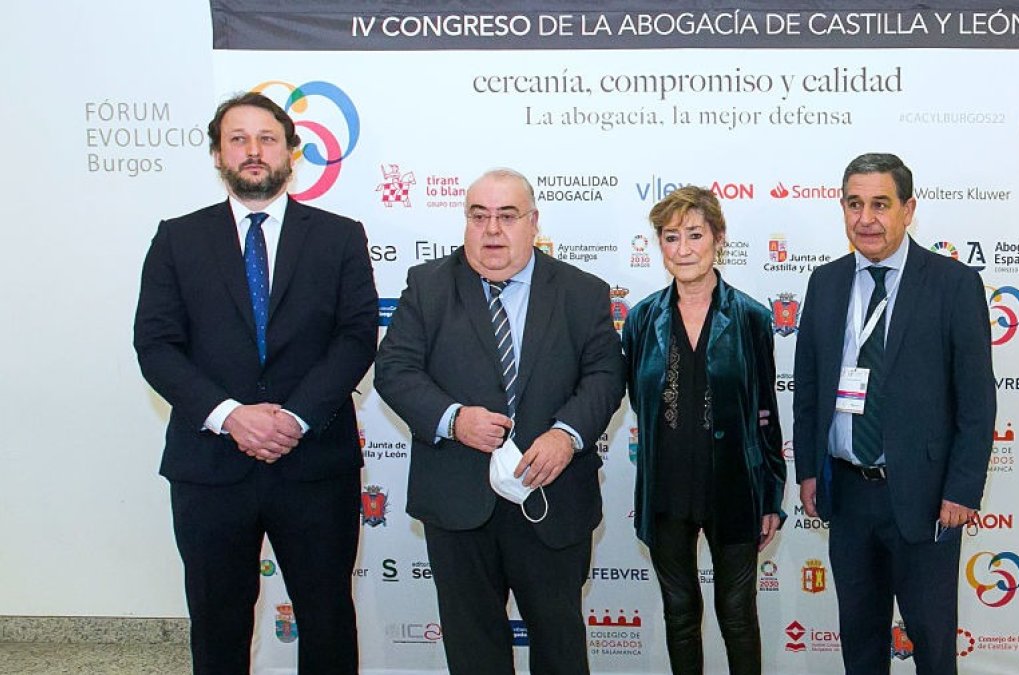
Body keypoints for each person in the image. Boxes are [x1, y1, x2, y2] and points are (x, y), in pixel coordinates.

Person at [133, 92, 378, 675]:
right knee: (218, 625)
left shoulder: (341, 237)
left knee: (326, 618)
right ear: (218, 153)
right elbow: (156, 347)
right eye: (237, 139)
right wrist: (229, 415)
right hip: (211, 467)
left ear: (292, 151)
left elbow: (354, 338)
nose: (252, 151)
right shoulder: (177, 239)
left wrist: (292, 417)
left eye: (266, 138)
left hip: (314, 463)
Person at [373, 168, 625, 675]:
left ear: (533, 223)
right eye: (478, 216)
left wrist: (566, 435)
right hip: (458, 501)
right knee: (473, 652)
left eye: (507, 217)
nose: (492, 230)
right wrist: (453, 419)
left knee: (560, 648)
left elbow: (605, 373)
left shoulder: (582, 291)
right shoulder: (428, 286)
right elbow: (394, 370)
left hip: (551, 499)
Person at [791, 153, 995, 675]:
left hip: (926, 499)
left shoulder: (953, 284)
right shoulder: (826, 282)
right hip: (849, 492)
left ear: (908, 209)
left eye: (881, 204)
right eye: (855, 204)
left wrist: (962, 489)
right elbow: (809, 387)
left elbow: (976, 400)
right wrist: (810, 471)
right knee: (860, 641)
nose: (867, 218)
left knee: (932, 642)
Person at [622, 186, 786, 675]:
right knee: (679, 615)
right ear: (660, 246)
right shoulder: (639, 319)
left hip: (735, 489)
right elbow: (637, 398)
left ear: (718, 238)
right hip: (667, 491)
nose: (684, 248)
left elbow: (766, 414)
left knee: (737, 615)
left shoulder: (752, 317)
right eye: (671, 238)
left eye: (695, 235)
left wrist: (771, 495)